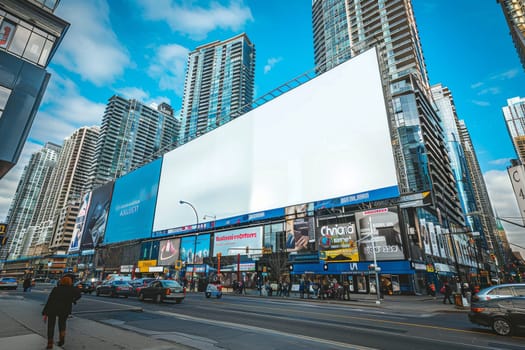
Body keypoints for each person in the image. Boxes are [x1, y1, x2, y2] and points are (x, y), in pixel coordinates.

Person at [42, 276, 81, 349]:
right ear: (70, 282)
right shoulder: (72, 289)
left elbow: (50, 300)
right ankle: (61, 341)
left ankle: (50, 343)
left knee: (50, 326)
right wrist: (73, 300)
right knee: (62, 324)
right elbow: (79, 295)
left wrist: (45, 312)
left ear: (61, 281)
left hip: (52, 309)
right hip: (65, 310)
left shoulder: (56, 289)